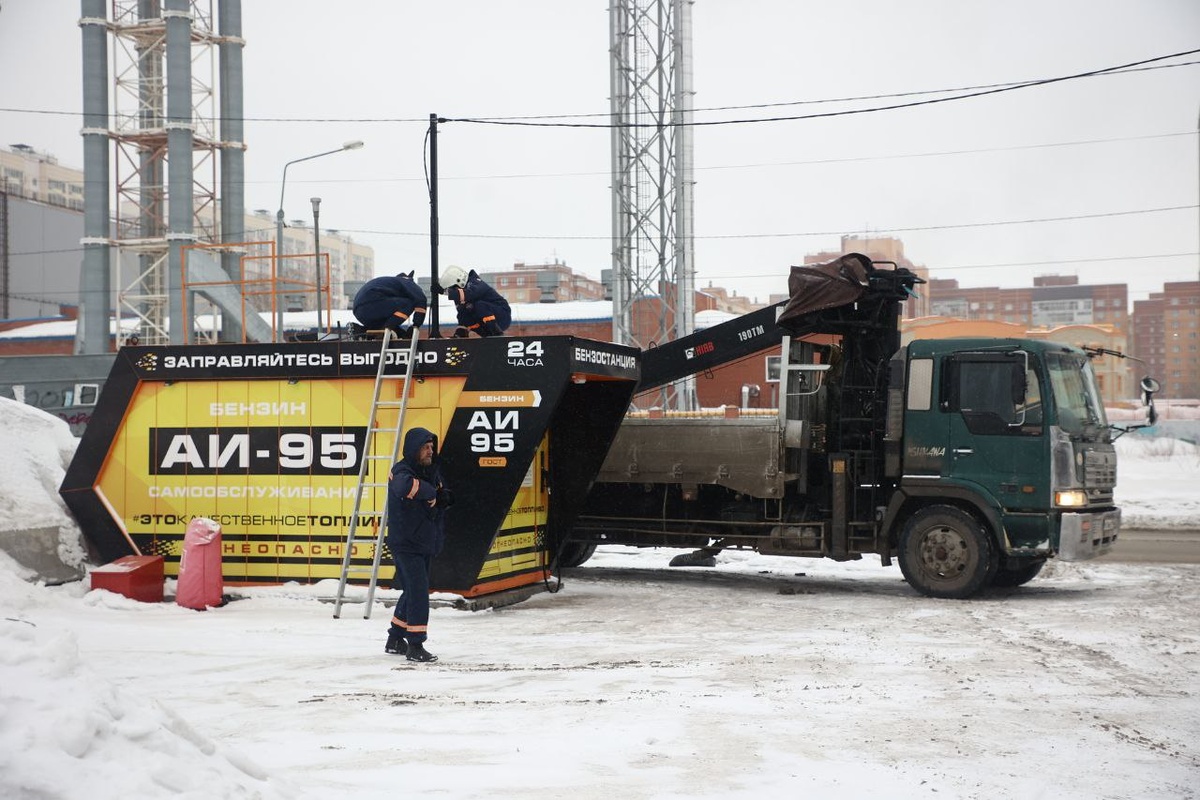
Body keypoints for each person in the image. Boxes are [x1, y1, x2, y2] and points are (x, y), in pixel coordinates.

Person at [384, 427, 452, 663]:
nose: (430, 451)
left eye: (431, 447)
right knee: (419, 593)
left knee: (412, 590)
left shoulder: (430, 470)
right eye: (426, 447)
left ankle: (395, 639)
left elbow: (444, 495)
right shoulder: (401, 470)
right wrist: (431, 492)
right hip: (406, 544)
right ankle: (416, 645)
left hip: (423, 543)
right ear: (414, 449)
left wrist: (441, 497)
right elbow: (404, 487)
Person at [440, 266, 511, 338]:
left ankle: (497, 334)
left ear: (459, 281)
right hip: (486, 322)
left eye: (453, 289)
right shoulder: (460, 296)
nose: (455, 291)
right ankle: (464, 336)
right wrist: (460, 331)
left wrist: (447, 292)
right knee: (465, 315)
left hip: (502, 315)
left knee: (479, 305)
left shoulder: (476, 282)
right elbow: (462, 315)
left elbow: (471, 293)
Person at [352, 271, 428, 338]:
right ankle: (385, 331)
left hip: (359, 311)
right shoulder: (407, 282)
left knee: (388, 322)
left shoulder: (390, 284)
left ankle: (361, 332)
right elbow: (421, 299)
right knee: (408, 304)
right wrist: (416, 325)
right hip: (373, 301)